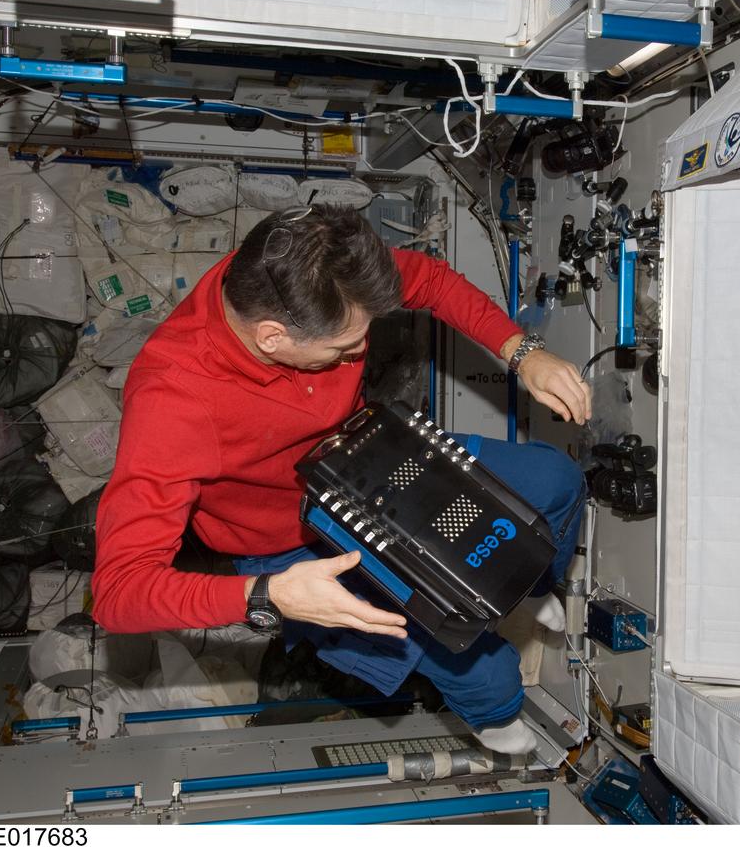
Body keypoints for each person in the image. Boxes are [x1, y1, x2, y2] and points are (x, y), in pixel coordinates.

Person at [92, 204, 591, 754]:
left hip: (373, 456)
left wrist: (521, 352)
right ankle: (490, 713)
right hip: (287, 543)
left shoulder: (311, 271)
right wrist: (265, 593)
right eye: (342, 349)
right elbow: (118, 592)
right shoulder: (172, 403)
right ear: (272, 339)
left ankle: (531, 584)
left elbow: (430, 280)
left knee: (555, 478)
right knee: (483, 667)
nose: (361, 352)